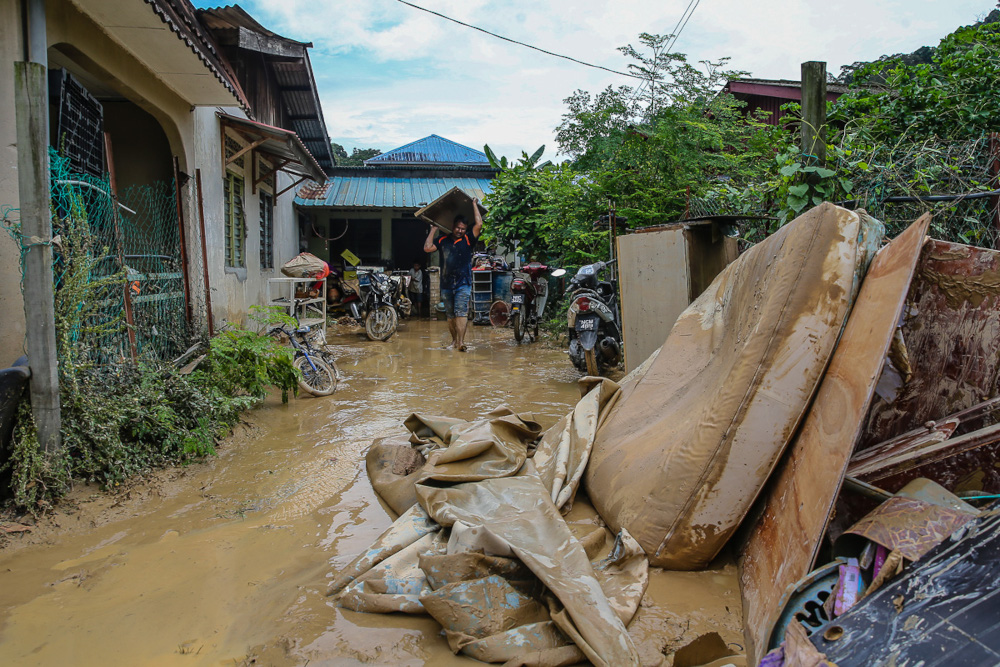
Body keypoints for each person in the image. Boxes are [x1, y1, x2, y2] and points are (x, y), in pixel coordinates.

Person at [423, 199, 483, 351]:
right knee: (450, 315)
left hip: (463, 283)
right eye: (458, 228)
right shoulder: (443, 240)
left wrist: (474, 204)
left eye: (463, 228)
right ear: (452, 226)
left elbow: (479, 224)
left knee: (461, 312)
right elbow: (427, 248)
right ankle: (454, 341)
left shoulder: (468, 239)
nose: (460, 231)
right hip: (446, 284)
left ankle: (461, 342)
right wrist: (433, 229)